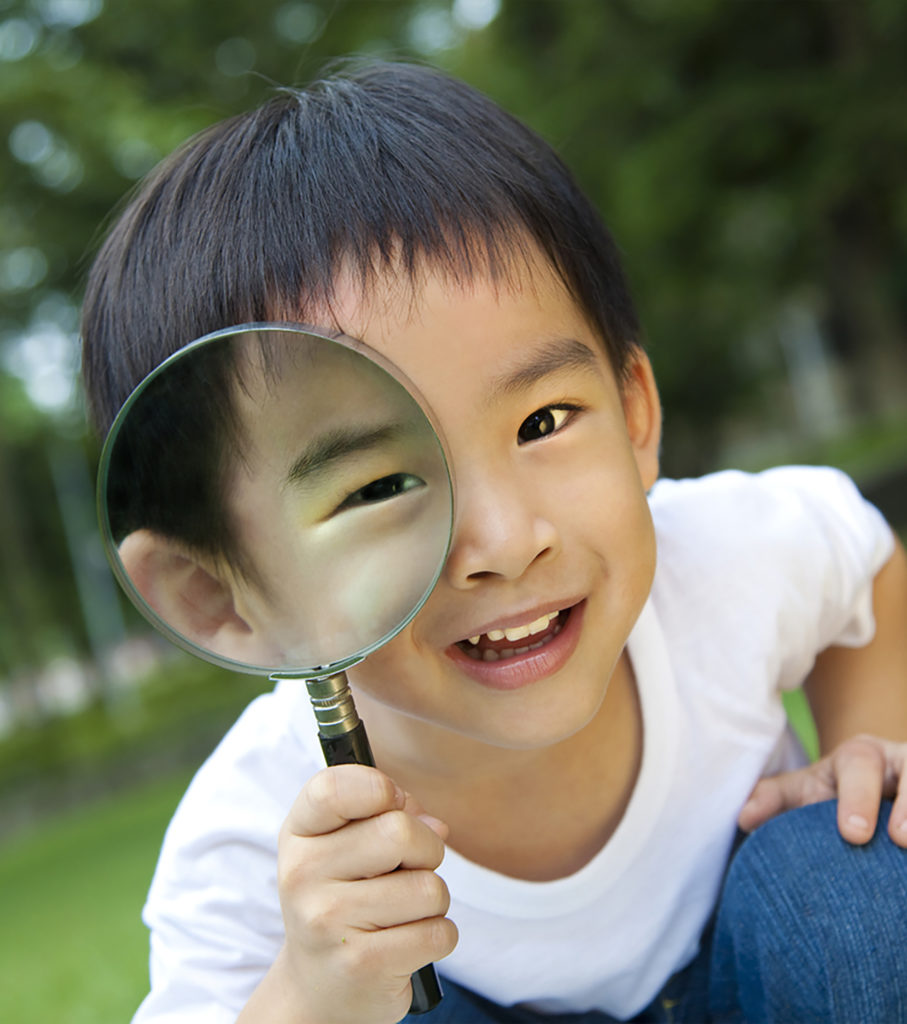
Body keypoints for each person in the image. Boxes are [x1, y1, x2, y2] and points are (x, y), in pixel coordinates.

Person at [80, 60, 907, 1023]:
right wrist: (311, 994)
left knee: (858, 875)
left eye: (544, 422)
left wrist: (872, 744)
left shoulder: (725, 561)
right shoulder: (244, 843)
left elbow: (863, 561)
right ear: (218, 596)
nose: (506, 543)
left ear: (636, 415)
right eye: (381, 486)